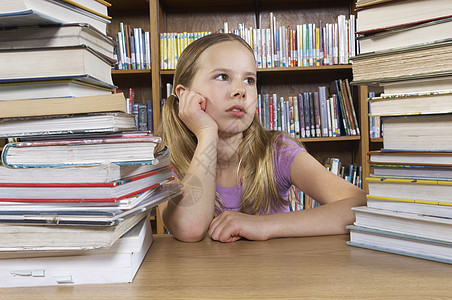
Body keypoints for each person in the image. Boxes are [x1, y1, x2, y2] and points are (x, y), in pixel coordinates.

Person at [155, 33, 366, 243]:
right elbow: (189, 228)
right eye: (222, 77)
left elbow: (360, 206)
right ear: (184, 95)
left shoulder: (277, 151)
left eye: (249, 80)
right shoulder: (166, 163)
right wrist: (207, 134)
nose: (240, 91)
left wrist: (264, 225)